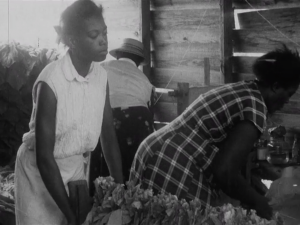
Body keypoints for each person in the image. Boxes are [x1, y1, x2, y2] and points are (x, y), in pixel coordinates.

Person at [130, 45, 300, 220]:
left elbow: (232, 155)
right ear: (275, 86)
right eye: (288, 94)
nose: (287, 101)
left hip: (160, 149)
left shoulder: (247, 91)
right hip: (172, 159)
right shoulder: (255, 106)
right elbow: (225, 171)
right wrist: (259, 202)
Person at [14, 1, 123, 224]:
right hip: (39, 177)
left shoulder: (101, 77)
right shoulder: (51, 82)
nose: (103, 40)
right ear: (73, 41)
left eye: (104, 32)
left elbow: (108, 136)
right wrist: (71, 215)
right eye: (94, 35)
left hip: (74, 173)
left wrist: (121, 190)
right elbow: (45, 158)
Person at [101, 38, 155, 181]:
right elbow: (149, 108)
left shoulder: (102, 67)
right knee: (135, 164)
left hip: (110, 117)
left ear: (118, 55)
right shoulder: (144, 79)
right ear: (138, 62)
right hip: (140, 119)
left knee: (107, 163)